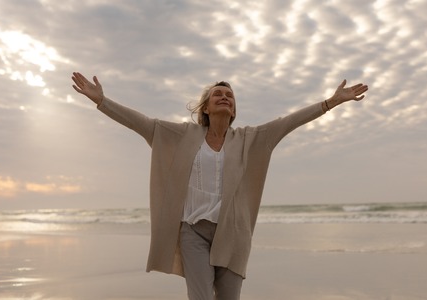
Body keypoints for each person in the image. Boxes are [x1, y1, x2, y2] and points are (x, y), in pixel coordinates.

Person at [71, 72, 368, 300]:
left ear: (234, 109)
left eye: (229, 95)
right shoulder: (181, 136)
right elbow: (141, 123)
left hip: (234, 235)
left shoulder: (251, 139)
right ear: (206, 107)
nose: (224, 97)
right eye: (217, 94)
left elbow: (289, 122)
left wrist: (331, 102)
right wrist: (101, 101)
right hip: (193, 232)